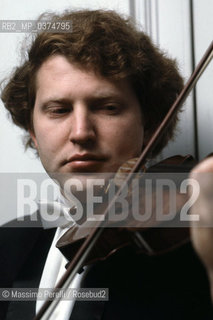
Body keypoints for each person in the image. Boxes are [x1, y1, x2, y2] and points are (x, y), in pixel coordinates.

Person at [0, 9, 213, 319]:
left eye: (108, 107)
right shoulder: (7, 245)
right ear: (33, 132)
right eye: (59, 110)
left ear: (150, 124)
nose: (81, 132)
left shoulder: (196, 241)